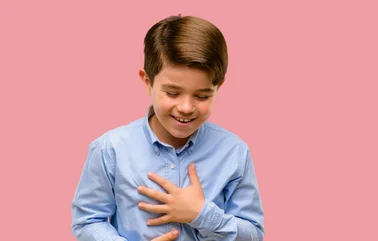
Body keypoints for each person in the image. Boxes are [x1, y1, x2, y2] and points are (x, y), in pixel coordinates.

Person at [70, 14, 265, 241]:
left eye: (202, 96)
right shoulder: (109, 149)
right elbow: (87, 221)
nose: (186, 107)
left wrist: (201, 215)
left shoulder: (234, 152)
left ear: (218, 87)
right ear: (147, 82)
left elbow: (253, 234)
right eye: (172, 93)